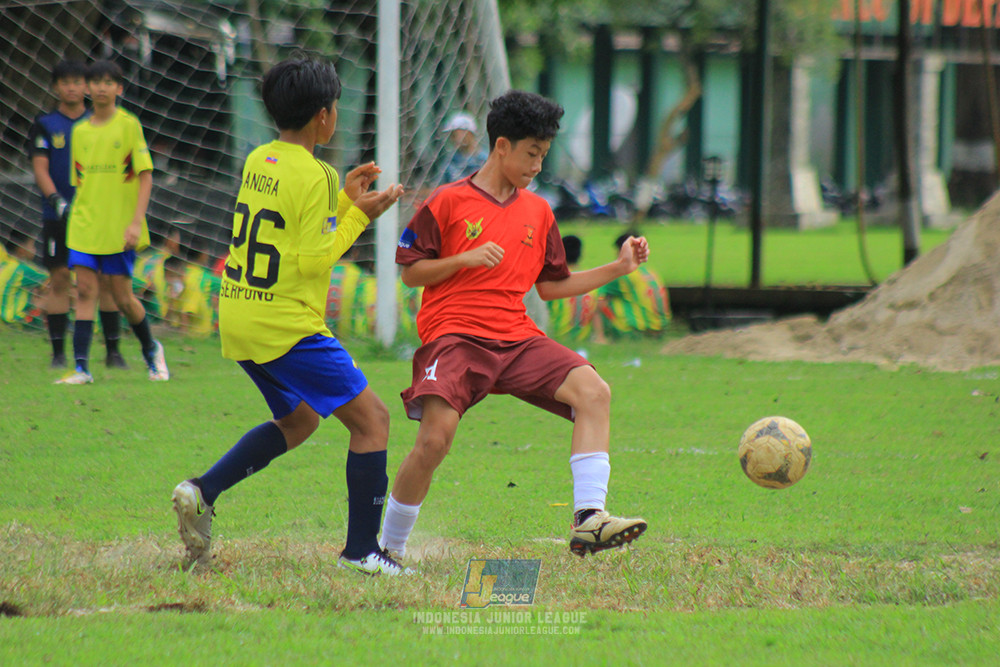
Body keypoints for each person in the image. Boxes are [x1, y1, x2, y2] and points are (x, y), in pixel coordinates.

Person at [379, 90, 648, 563]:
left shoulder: (539, 212)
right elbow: (411, 273)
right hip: (455, 337)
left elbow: (551, 286)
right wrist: (464, 258)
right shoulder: (448, 202)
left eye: (544, 155)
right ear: (501, 146)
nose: (538, 165)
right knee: (435, 439)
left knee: (594, 392)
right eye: (531, 153)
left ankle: (589, 518)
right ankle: (389, 548)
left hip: (518, 339)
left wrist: (617, 268)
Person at [170, 57, 407, 575]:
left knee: (300, 420)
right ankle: (362, 552)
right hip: (285, 323)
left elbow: (292, 228)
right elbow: (315, 257)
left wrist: (342, 201)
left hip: (238, 313)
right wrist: (360, 216)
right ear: (324, 116)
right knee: (373, 422)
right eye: (337, 107)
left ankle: (201, 491)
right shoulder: (318, 171)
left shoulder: (260, 158)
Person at [57, 60, 169, 385]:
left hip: (119, 228)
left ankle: (151, 350)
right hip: (84, 224)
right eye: (96, 81)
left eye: (110, 82)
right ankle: (81, 368)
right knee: (85, 290)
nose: (102, 87)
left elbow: (145, 176)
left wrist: (136, 223)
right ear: (87, 88)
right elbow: (79, 183)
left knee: (122, 297)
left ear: (119, 88)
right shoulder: (79, 131)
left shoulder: (129, 125)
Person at [28, 59, 127, 369]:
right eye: (64, 82)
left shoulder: (103, 123)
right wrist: (56, 200)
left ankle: (113, 351)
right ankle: (58, 355)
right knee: (59, 278)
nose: (71, 87)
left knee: (106, 281)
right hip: (58, 215)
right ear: (56, 86)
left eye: (77, 81)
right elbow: (40, 167)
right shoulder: (45, 124)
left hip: (97, 215)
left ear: (87, 85)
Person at [593, 231, 670, 343]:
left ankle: (600, 338)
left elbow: (598, 302)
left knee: (599, 300)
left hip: (634, 332)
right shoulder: (651, 273)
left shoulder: (621, 276)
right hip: (660, 330)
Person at [546, 234, 597, 342]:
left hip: (557, 339)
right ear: (580, 254)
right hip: (584, 340)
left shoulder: (552, 280)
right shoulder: (591, 279)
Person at [0, 229, 48, 326]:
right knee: (53, 288)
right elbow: (51, 279)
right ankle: (62, 321)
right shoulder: (22, 270)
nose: (35, 249)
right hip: (14, 320)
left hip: (2, 319)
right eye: (32, 245)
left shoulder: (5, 264)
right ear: (21, 250)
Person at [435, 112, 488, 186]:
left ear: (469, 133)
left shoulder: (485, 160)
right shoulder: (450, 162)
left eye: (456, 134)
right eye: (452, 135)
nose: (454, 138)